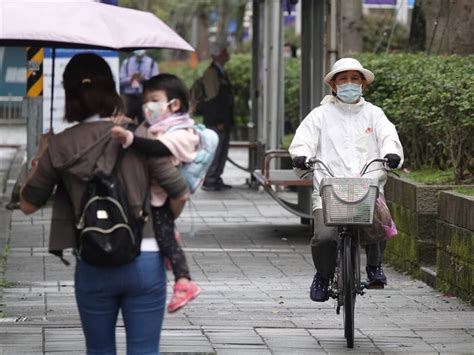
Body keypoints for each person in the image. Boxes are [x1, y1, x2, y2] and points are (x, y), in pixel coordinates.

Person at [19, 53, 189, 354]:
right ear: (112, 90)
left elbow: (28, 204)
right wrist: (163, 223)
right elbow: (179, 191)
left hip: (92, 259)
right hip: (145, 258)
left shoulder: (60, 144)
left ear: (69, 94)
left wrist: (41, 153)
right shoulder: (139, 135)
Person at [288, 57, 404, 302]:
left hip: (367, 187)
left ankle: (374, 266)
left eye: (354, 79)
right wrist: (301, 157)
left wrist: (391, 154)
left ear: (363, 85)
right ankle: (322, 275)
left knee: (380, 224)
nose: (349, 84)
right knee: (324, 238)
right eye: (343, 79)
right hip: (330, 189)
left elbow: (388, 137)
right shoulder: (319, 115)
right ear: (333, 85)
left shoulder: (375, 114)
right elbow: (302, 142)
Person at [111, 73, 202, 313]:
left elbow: (157, 148)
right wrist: (125, 125)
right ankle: (176, 262)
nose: (147, 106)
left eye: (154, 99)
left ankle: (185, 282)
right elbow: (143, 135)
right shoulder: (156, 125)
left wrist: (128, 137)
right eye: (145, 100)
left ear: (174, 104)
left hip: (164, 197)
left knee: (167, 241)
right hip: (156, 194)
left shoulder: (183, 131)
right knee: (166, 237)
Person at [199, 40, 234, 191]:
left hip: (223, 119)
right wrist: (218, 120)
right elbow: (212, 99)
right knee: (216, 150)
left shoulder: (220, 71)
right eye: (225, 51)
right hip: (216, 121)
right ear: (218, 55)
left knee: (222, 150)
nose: (228, 54)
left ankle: (216, 177)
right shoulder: (212, 73)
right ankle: (210, 178)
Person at [120, 49, 159, 123]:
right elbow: (121, 81)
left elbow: (156, 81)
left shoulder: (152, 63)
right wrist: (131, 79)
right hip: (129, 97)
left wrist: (144, 80)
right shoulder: (127, 62)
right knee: (127, 121)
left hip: (144, 96)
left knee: (145, 121)